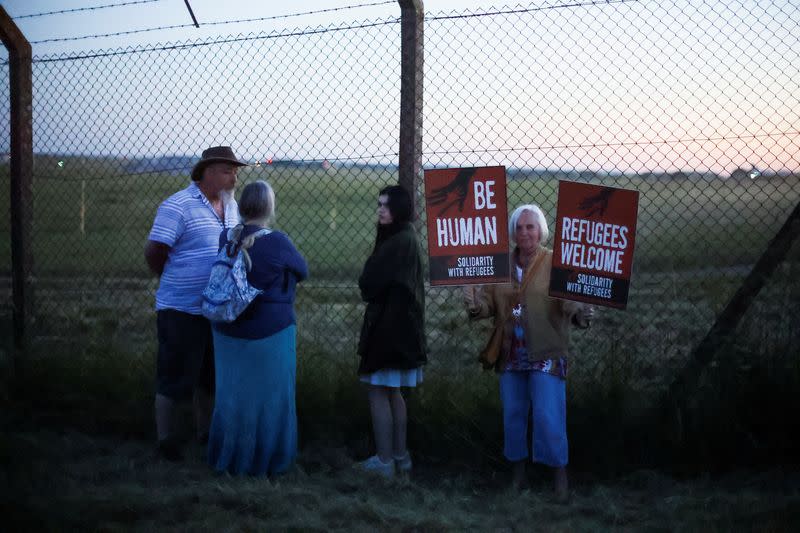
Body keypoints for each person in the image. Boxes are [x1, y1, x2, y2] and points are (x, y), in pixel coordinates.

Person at [463, 204, 594, 500]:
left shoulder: (554, 263)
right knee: (513, 414)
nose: (524, 232)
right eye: (519, 227)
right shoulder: (500, 265)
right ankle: (518, 475)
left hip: (546, 352)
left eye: (530, 227)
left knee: (549, 416)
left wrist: (582, 312)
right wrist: (473, 302)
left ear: (541, 231)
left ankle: (560, 478)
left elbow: (568, 301)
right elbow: (487, 305)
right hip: (511, 354)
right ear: (513, 232)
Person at [145, 145, 246, 461]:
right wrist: (180, 278)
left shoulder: (232, 208)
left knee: (209, 377)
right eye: (228, 171)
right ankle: (166, 441)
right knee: (174, 376)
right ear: (208, 172)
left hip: (217, 310)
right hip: (181, 309)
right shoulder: (178, 206)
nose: (234, 178)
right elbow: (155, 252)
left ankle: (205, 434)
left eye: (235, 172)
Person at [207, 180, 308, 476]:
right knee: (272, 400)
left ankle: (230, 457)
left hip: (226, 335)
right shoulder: (277, 241)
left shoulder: (227, 237)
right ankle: (270, 460)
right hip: (269, 334)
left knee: (232, 398)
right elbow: (303, 270)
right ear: (269, 207)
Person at [356, 185, 427, 478]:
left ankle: (384, 461)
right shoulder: (407, 237)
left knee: (377, 390)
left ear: (400, 209)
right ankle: (400, 456)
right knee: (392, 390)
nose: (381, 210)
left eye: (387, 205)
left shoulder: (398, 241)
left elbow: (368, 283)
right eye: (379, 205)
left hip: (389, 328)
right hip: (402, 327)